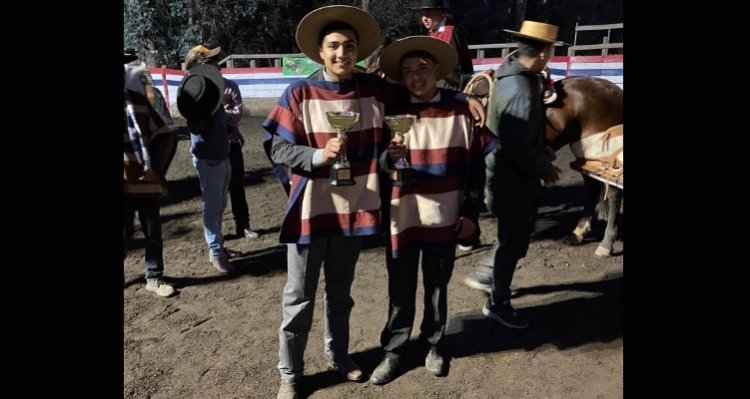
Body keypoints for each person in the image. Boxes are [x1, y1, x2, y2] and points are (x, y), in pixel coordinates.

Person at [262, 6, 487, 398]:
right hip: (311, 212)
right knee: (298, 298)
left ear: (357, 51)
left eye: (349, 46)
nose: (341, 54)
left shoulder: (374, 90)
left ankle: (341, 356)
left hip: (353, 211)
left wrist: (463, 99)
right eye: (333, 46)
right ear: (319, 51)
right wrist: (315, 157)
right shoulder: (297, 92)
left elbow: (420, 88)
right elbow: (276, 146)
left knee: (341, 295)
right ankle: (290, 373)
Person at [368, 36, 496, 385]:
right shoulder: (391, 111)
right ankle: (394, 351)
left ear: (438, 69)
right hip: (402, 216)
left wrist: (470, 213)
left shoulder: (462, 112)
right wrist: (386, 159)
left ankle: (434, 344)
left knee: (437, 287)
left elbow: (476, 170)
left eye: (423, 69)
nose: (416, 77)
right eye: (408, 71)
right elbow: (376, 165)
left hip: (446, 216)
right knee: (400, 287)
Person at [482, 20, 563, 329]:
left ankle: (497, 290)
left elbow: (519, 131)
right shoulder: (520, 90)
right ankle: (497, 301)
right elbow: (516, 146)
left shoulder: (516, 73)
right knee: (511, 240)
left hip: (508, 174)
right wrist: (545, 169)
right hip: (511, 179)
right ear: (543, 51)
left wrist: (541, 148)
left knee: (511, 239)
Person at [124, 49, 179, 297]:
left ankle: (154, 277)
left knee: (153, 234)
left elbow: (166, 134)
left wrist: (157, 171)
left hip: (145, 181)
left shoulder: (142, 101)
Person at [178, 46, 234, 274]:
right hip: (210, 159)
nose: (218, 64)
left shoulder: (209, 92)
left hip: (220, 155)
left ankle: (218, 247)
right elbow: (196, 125)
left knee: (219, 205)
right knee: (213, 207)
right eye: (212, 61)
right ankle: (216, 252)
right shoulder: (197, 94)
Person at [201, 48, 261, 240]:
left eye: (216, 63)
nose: (216, 66)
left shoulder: (229, 86)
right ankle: (216, 231)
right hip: (214, 144)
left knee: (236, 186)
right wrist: (224, 116)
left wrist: (217, 116)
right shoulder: (202, 88)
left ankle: (242, 225)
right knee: (214, 191)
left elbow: (236, 114)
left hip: (226, 143)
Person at [412, 0, 474, 90]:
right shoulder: (431, 32)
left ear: (440, 13)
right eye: (423, 15)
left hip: (451, 84)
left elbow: (451, 65)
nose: (424, 18)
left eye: (429, 14)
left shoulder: (450, 31)